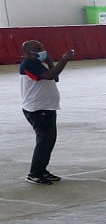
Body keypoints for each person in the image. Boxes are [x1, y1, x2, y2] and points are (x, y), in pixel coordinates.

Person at [19, 39, 69, 185]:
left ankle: (41, 170)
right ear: (28, 53)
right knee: (44, 141)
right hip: (37, 109)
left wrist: (51, 62)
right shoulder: (28, 64)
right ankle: (34, 173)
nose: (42, 51)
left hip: (47, 107)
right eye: (38, 49)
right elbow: (49, 76)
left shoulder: (37, 64)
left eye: (42, 48)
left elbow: (55, 77)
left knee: (49, 140)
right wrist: (64, 60)